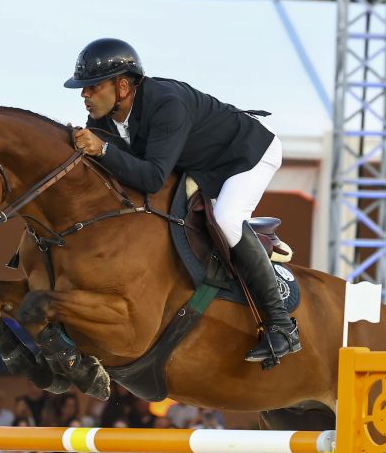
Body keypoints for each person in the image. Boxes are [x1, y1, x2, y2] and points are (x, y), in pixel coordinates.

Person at [66, 38, 300, 365]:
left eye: (92, 86)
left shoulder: (166, 104)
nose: (84, 94)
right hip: (201, 163)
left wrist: (103, 151)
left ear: (122, 86)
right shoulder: (103, 119)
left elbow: (150, 178)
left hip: (247, 153)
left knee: (227, 218)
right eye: (83, 88)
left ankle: (282, 326)